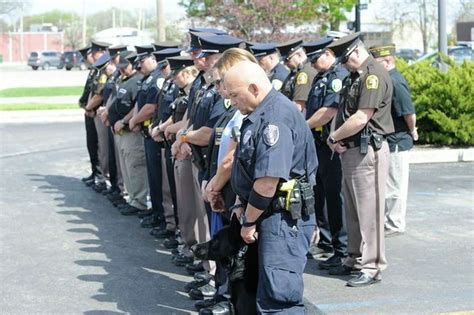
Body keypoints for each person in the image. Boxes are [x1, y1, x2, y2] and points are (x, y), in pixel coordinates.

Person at [225, 61, 317, 314]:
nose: (231, 102)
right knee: (259, 293)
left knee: (280, 299)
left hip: (281, 220)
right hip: (266, 216)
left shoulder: (275, 118)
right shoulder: (260, 115)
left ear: (253, 88)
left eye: (234, 95)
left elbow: (267, 182)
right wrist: (239, 204)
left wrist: (248, 222)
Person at [325, 33, 394, 287]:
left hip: (368, 151)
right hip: (351, 150)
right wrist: (337, 138)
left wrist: (333, 137)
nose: (343, 66)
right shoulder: (354, 77)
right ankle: (353, 260)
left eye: (344, 60)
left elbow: (361, 117)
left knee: (370, 213)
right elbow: (343, 112)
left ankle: (372, 266)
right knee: (353, 212)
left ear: (355, 52)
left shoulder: (373, 75)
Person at [304, 37, 349, 268]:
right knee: (322, 196)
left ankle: (342, 248)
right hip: (319, 144)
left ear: (328, 54)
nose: (312, 64)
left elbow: (329, 111)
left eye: (315, 58)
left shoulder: (337, 77)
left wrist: (302, 127)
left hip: (332, 147)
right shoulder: (322, 77)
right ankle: (329, 242)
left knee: (335, 198)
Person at [369, 44, 418, 237]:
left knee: (395, 185)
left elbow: (409, 113)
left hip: (398, 140)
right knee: (388, 184)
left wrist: (413, 130)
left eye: (377, 62)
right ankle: (388, 221)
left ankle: (394, 224)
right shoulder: (387, 79)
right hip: (389, 139)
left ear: (388, 61)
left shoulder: (395, 82)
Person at [108, 52, 147, 216]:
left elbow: (137, 106)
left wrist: (124, 121)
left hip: (130, 132)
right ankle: (132, 198)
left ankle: (139, 201)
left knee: (135, 167)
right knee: (126, 168)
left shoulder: (137, 81)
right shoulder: (124, 80)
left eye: (125, 67)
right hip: (120, 132)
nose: (122, 70)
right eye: (120, 67)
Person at [79, 41, 108, 186]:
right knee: (92, 144)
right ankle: (96, 173)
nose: (90, 56)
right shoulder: (95, 70)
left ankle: (101, 176)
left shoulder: (103, 71)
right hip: (91, 112)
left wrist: (89, 107)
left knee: (101, 147)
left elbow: (99, 93)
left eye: (93, 53)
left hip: (97, 112)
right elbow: (90, 91)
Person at [278, 39, 317, 112]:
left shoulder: (304, 73)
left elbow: (298, 105)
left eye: (287, 59)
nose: (286, 63)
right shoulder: (295, 72)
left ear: (299, 54)